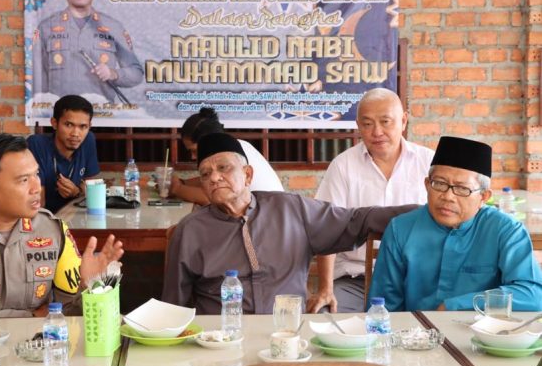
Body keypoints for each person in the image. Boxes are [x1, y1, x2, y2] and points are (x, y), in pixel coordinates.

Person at [161, 132, 416, 314]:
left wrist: (421, 214)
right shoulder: (190, 231)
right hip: (221, 340)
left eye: (223, 168)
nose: (214, 177)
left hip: (288, 335)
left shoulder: (290, 209)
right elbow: (173, 308)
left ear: (247, 175)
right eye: (205, 174)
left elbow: (357, 220)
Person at [0, 133, 124, 319]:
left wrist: (90, 287)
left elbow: (68, 313)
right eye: (24, 180)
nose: (36, 187)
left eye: (37, 174)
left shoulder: (53, 230)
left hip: (43, 345)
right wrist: (32, 316)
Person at [370, 136, 542, 311]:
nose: (447, 196)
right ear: (427, 185)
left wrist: (456, 305)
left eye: (462, 189)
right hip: (416, 327)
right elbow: (383, 305)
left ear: (483, 197)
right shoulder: (400, 229)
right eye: (439, 184)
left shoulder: (505, 230)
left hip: (482, 327)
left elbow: (533, 295)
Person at [311, 88, 434, 313]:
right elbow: (327, 227)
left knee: (438, 323)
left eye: (385, 122)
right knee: (325, 318)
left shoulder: (428, 163)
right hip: (356, 280)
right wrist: (325, 289)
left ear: (403, 121)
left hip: (417, 279)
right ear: (358, 125)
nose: (377, 132)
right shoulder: (343, 166)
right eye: (367, 124)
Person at [31, 0, 143, 104]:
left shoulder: (114, 27)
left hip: (103, 114)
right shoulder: (46, 28)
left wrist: (113, 73)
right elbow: (37, 80)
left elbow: (136, 73)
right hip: (61, 114)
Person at [169, 107, 284, 205]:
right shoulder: (234, 145)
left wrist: (177, 189)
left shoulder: (231, 154)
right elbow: (212, 180)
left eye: (195, 151)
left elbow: (213, 198)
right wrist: (182, 182)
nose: (193, 157)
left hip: (267, 215)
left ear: (209, 140)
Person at [27, 95, 99, 213]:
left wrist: (76, 192)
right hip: (45, 218)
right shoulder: (37, 144)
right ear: (54, 123)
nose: (76, 133)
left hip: (76, 217)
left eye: (83, 126)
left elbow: (92, 191)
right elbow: (39, 204)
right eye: (69, 125)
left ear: (89, 126)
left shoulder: (88, 140)